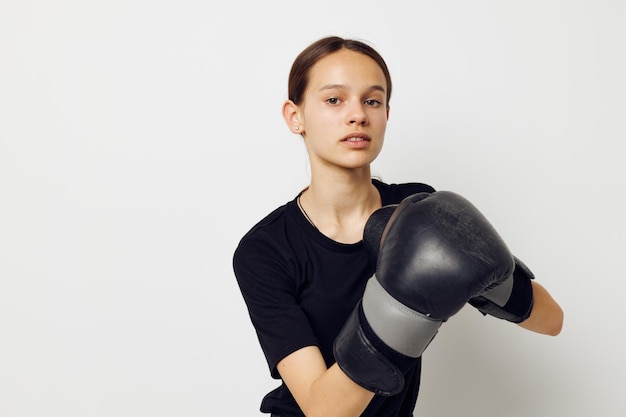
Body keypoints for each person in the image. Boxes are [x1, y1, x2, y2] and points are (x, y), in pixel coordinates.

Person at [232, 36, 564, 417]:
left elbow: (552, 321)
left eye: (372, 100)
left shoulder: (415, 208)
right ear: (295, 116)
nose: (357, 115)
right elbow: (325, 411)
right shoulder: (266, 250)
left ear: (387, 113)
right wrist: (401, 309)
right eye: (334, 100)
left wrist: (492, 274)